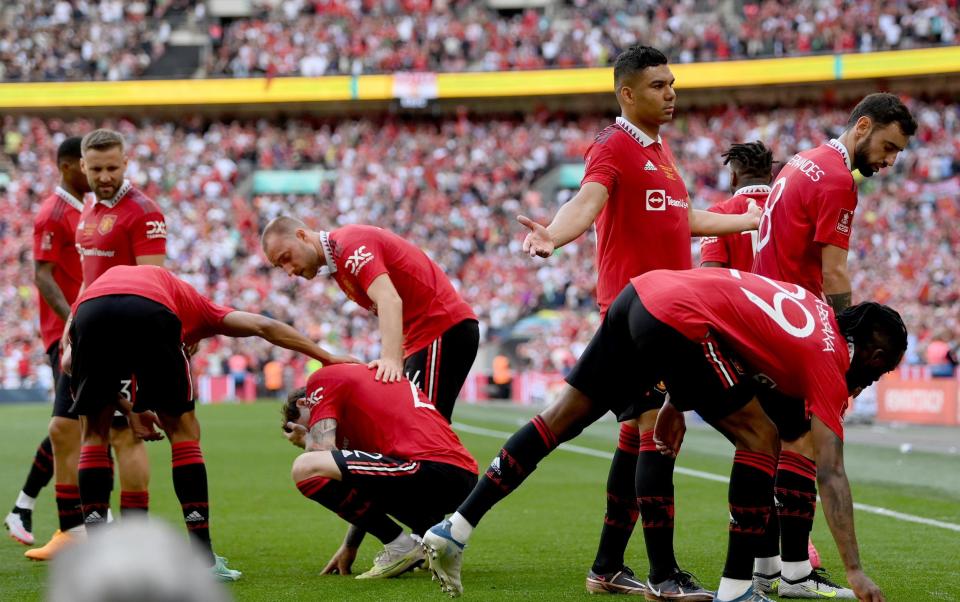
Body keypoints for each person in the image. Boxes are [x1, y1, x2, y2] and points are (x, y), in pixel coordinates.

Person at [423, 268, 904, 602]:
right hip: (678, 320)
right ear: (875, 354)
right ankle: (737, 588)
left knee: (559, 418)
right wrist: (855, 569)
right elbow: (833, 472)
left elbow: (727, 328)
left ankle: (455, 529)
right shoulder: (829, 355)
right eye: (880, 373)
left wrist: (677, 399)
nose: (874, 381)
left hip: (641, 294)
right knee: (761, 437)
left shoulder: (811, 313)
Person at [516, 45, 760, 598]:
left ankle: (606, 568)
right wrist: (554, 233)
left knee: (635, 437)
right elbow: (588, 200)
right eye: (658, 85)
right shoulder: (613, 146)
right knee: (653, 434)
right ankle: (663, 575)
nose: (671, 93)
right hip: (637, 317)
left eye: (672, 83)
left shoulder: (661, 153)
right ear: (627, 94)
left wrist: (745, 219)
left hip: (669, 313)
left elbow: (682, 220)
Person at [66, 264, 357, 580]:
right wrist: (325, 356)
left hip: (89, 308)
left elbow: (69, 363)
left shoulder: (116, 290)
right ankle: (202, 559)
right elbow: (263, 326)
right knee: (184, 432)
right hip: (151, 308)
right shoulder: (199, 308)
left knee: (93, 434)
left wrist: (131, 407)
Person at [751, 93, 917, 599]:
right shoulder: (840, 178)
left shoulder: (804, 160)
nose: (888, 162)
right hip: (790, 323)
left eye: (896, 155)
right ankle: (796, 575)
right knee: (803, 446)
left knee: (766, 446)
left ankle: (765, 568)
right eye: (887, 147)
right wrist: (844, 337)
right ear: (862, 126)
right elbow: (835, 270)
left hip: (765, 308)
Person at [27, 128, 164, 560]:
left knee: (125, 437)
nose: (105, 176)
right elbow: (87, 282)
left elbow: (152, 282)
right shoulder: (89, 210)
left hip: (124, 337)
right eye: (97, 168)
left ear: (126, 164)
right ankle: (81, 532)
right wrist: (73, 330)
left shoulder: (143, 212)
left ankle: (135, 540)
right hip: (89, 335)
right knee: (77, 430)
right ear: (82, 168)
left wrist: (139, 347)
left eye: (113, 167)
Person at [261, 217, 479, 423]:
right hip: (423, 338)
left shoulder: (348, 244)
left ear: (301, 235)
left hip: (440, 328)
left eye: (286, 257)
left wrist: (391, 361)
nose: (288, 271)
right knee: (406, 428)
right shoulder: (339, 261)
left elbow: (389, 300)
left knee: (423, 430)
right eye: (280, 266)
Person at [281, 363, 478, 579]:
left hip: (431, 469)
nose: (311, 430)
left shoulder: (321, 381)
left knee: (305, 466)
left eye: (306, 426)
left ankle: (402, 547)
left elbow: (320, 452)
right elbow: (365, 481)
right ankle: (433, 540)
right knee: (348, 473)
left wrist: (307, 440)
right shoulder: (362, 405)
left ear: (304, 402)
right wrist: (350, 545)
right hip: (456, 477)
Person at [5, 137, 87, 549]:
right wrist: (75, 319)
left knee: (73, 423)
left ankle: (25, 506)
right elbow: (42, 275)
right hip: (67, 334)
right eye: (88, 165)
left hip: (84, 328)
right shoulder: (53, 213)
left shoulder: (82, 209)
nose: (95, 173)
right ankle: (74, 520)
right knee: (70, 425)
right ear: (68, 166)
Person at [700, 142, 774, 271]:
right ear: (771, 178)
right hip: (787, 291)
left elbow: (710, 273)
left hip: (742, 291)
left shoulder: (717, 214)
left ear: (733, 177)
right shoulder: (790, 208)